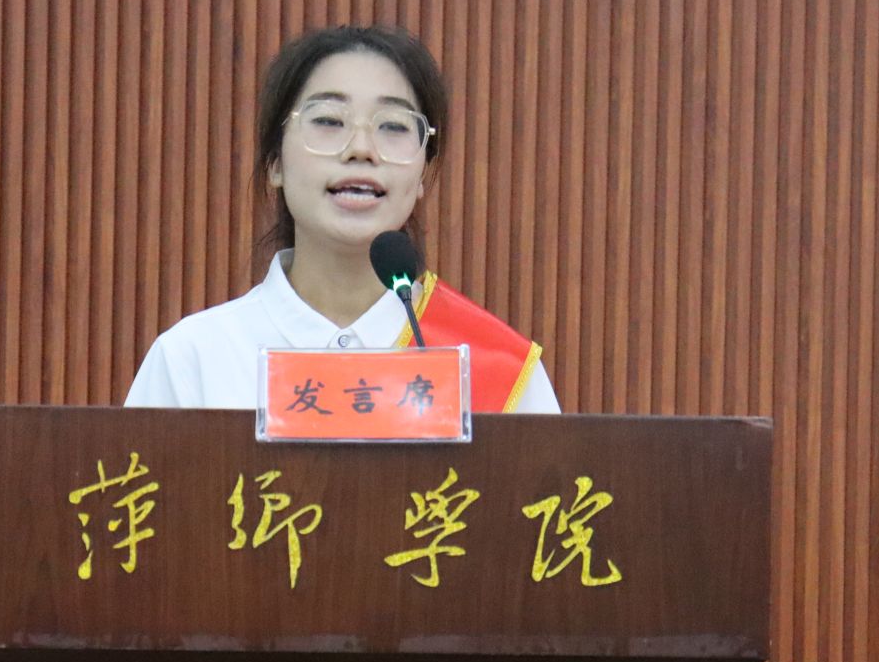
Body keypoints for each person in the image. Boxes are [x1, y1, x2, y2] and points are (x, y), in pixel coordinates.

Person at [124, 25, 560, 413]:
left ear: (423, 173)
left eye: (394, 126)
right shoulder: (195, 361)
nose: (361, 149)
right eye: (329, 120)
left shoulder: (496, 370)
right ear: (275, 162)